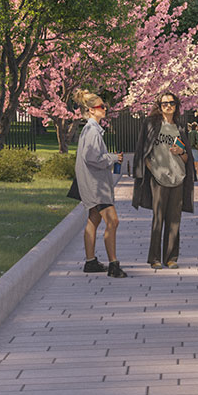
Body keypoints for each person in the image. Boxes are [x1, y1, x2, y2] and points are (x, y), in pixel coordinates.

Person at [132, 91, 197, 269]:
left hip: (178, 178)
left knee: (174, 220)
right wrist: (152, 169)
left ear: (176, 106)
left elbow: (187, 158)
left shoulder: (180, 128)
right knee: (158, 218)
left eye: (171, 103)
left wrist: (180, 152)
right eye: (164, 104)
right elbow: (142, 150)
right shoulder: (151, 124)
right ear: (159, 107)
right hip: (159, 179)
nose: (168, 106)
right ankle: (154, 258)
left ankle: (171, 258)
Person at [73, 91, 127, 278]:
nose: (105, 109)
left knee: (94, 219)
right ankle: (113, 264)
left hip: (92, 183)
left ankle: (90, 261)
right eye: (101, 107)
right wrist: (112, 158)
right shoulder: (92, 131)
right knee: (113, 221)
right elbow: (92, 157)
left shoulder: (90, 130)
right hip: (96, 185)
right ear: (90, 110)